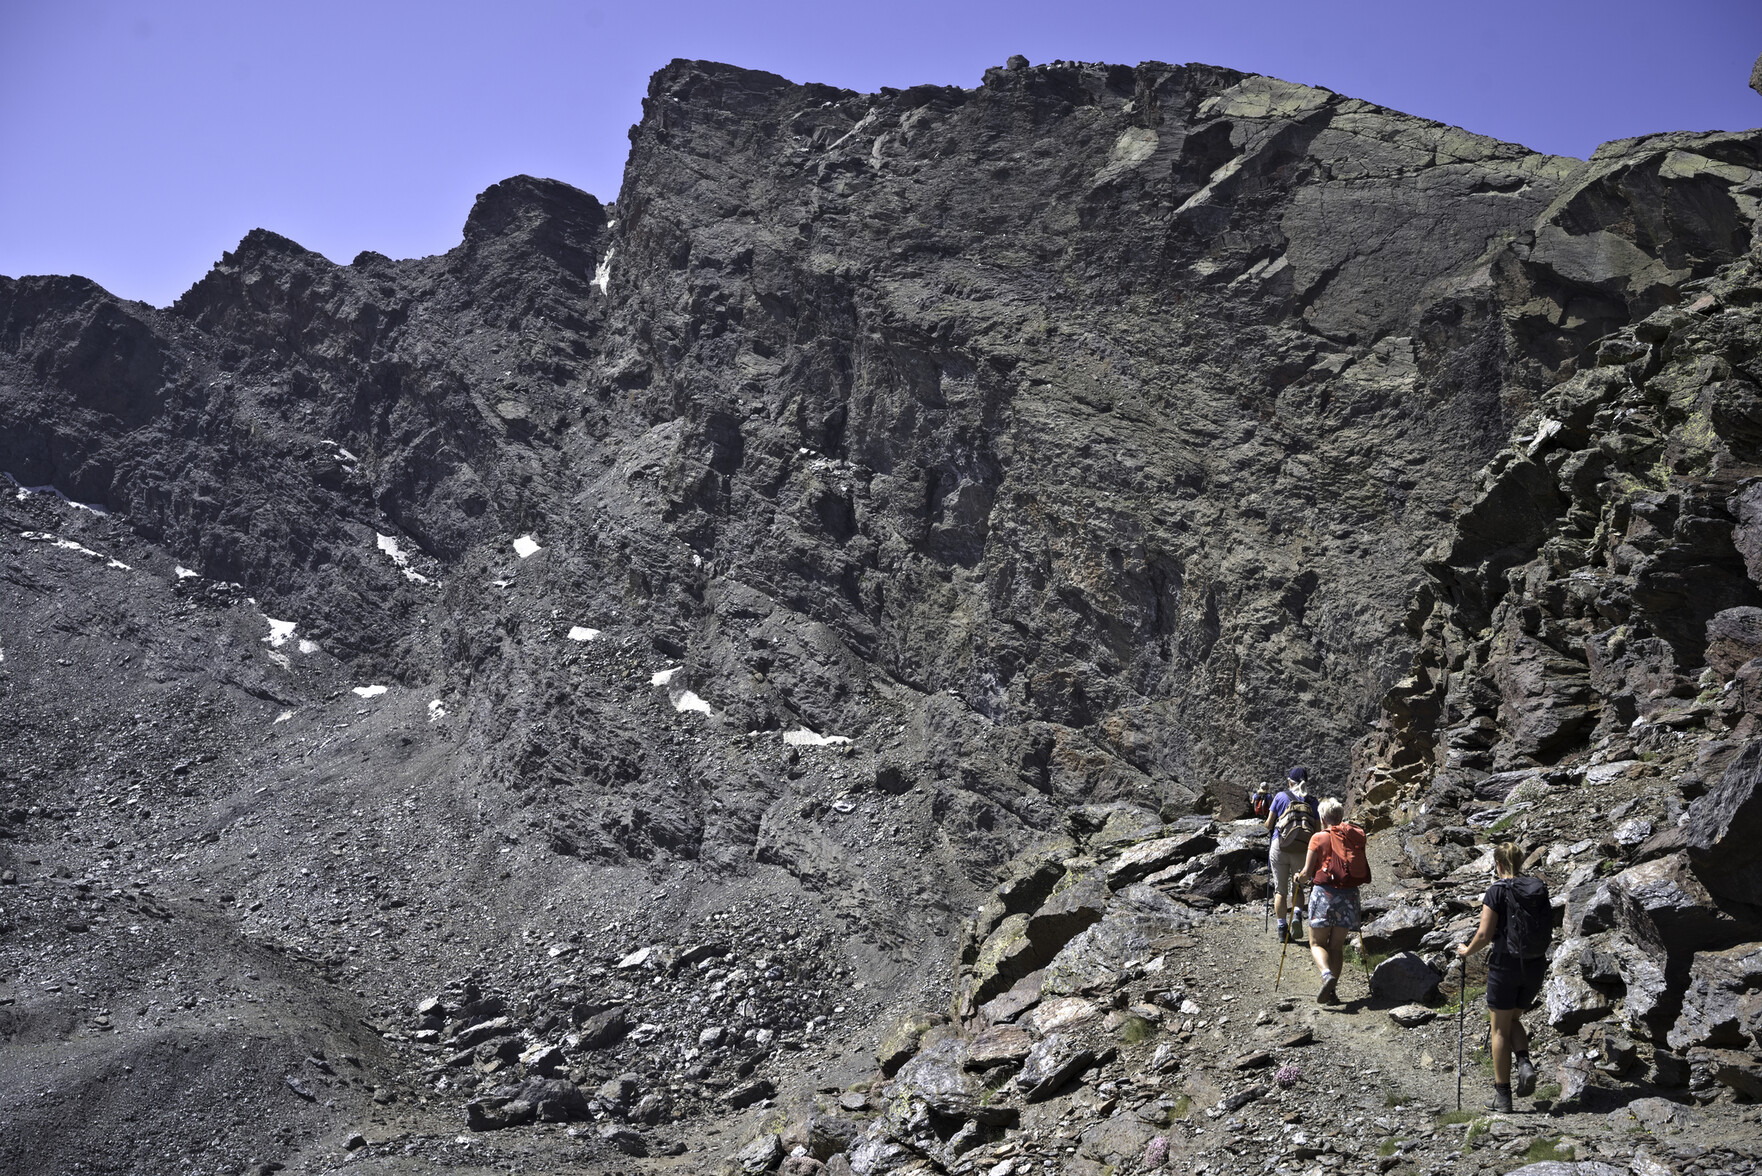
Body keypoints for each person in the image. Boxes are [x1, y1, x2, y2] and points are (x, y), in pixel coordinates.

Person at [1455, 842, 1552, 1112]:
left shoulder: (1496, 890)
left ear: (1497, 864)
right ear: (1520, 862)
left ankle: (1503, 1097)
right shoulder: (1536, 889)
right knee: (1513, 1019)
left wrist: (1466, 951)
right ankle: (1523, 1062)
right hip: (1534, 965)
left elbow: (1484, 935)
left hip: (1505, 964)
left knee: (1499, 1028)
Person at [1297, 797, 1365, 1004]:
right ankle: (1332, 993)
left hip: (1324, 895)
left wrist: (1297, 878)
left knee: (1317, 943)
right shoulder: (1353, 836)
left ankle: (1326, 976)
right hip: (1349, 895)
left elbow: (1307, 873)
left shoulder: (1318, 837)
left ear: (1323, 818)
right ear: (1340, 816)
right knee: (1336, 946)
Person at [1264, 767, 1317, 941]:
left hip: (1279, 846)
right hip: (1301, 849)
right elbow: (1317, 831)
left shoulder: (1280, 797)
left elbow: (1268, 824)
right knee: (1298, 887)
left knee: (1280, 891)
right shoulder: (1312, 801)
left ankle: (1281, 929)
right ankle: (1296, 916)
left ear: (1289, 782)